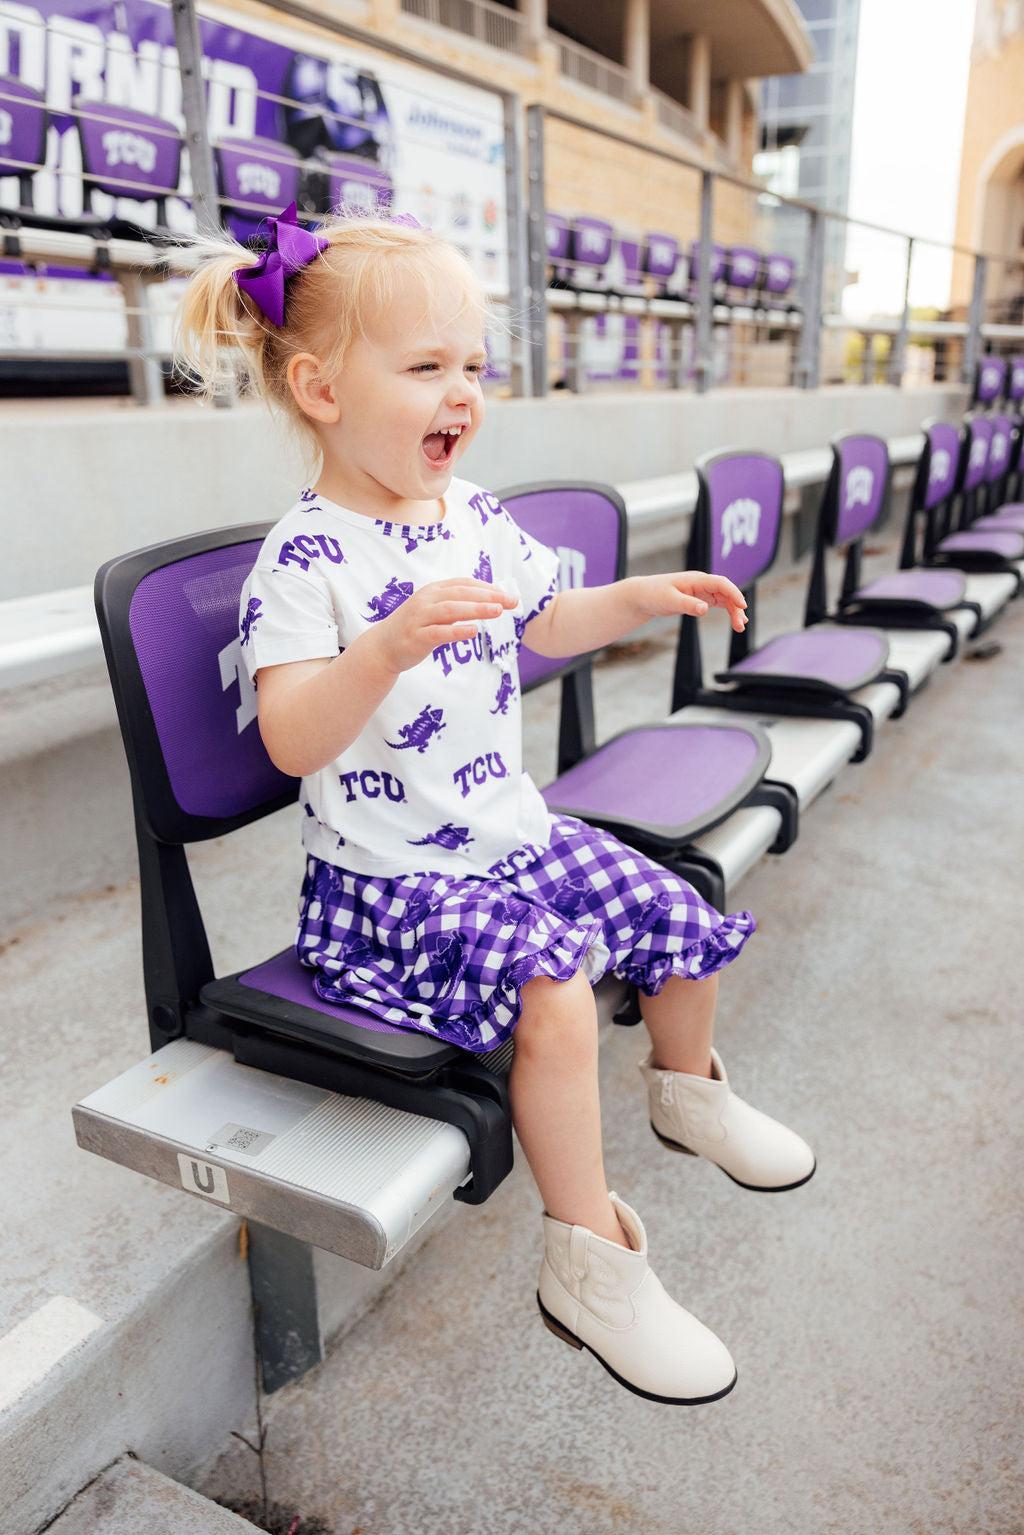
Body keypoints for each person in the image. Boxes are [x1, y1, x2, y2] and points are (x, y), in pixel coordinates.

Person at [176, 202, 815, 1406]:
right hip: (386, 887)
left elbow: (548, 620)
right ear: (320, 389)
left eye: (472, 365)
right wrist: (380, 649)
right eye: (425, 367)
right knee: (555, 990)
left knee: (672, 901)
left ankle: (689, 1093)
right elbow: (292, 735)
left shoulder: (470, 514)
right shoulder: (304, 561)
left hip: (503, 839)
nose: (461, 391)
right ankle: (591, 1261)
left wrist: (637, 594)